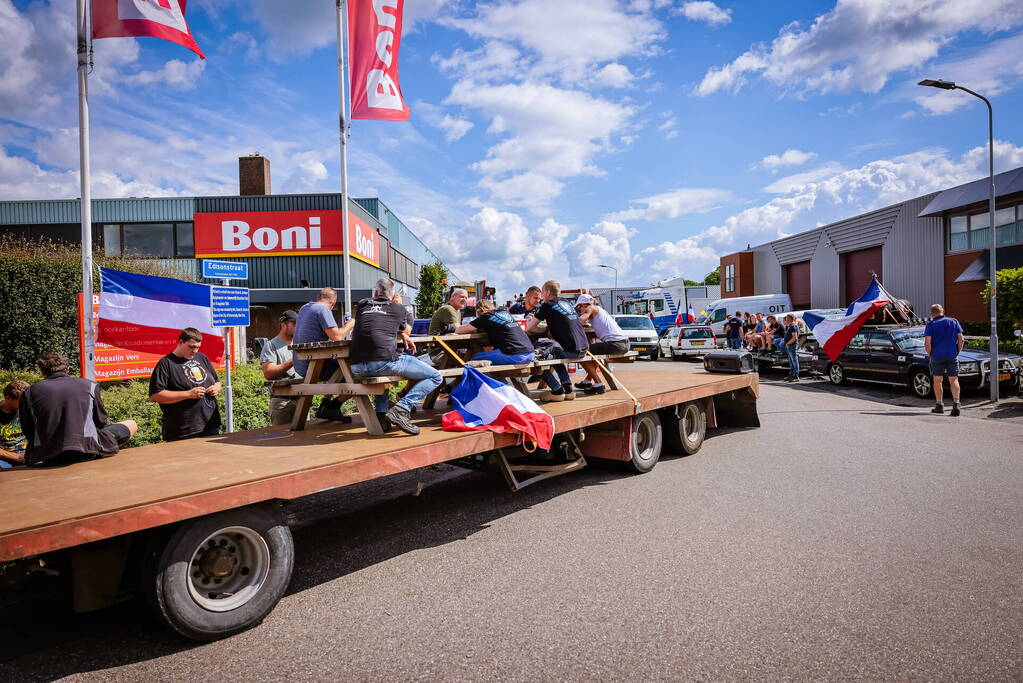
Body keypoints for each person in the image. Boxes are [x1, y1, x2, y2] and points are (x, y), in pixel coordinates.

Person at [343, 278, 442, 436]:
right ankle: (402, 408)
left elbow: (375, 324)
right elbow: (401, 329)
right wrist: (403, 334)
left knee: (386, 376)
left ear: (375, 292)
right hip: (383, 363)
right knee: (436, 376)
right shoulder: (399, 309)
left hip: (357, 367)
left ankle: (382, 415)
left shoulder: (362, 304)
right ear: (393, 294)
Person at [20, 352, 137, 465]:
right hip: (87, 450)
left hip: (48, 456)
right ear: (67, 368)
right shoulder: (90, 385)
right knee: (131, 424)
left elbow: (28, 430)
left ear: (41, 371)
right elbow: (101, 422)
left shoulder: (29, 392)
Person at [148, 328, 223, 442]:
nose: (195, 351)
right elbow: (155, 395)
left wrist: (216, 388)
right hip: (183, 431)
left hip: (210, 425)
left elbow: (217, 381)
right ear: (181, 342)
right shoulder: (166, 363)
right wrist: (188, 394)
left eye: (198, 347)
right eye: (191, 347)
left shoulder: (202, 358)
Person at [525, 280, 589, 402]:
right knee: (555, 353)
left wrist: (543, 329)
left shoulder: (547, 305)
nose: (542, 295)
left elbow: (529, 328)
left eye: (542, 291)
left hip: (573, 351)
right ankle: (568, 389)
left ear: (548, 292)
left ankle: (557, 390)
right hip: (584, 348)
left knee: (537, 358)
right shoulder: (567, 303)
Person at [292, 287, 349, 422]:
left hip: (301, 364)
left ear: (319, 297)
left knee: (344, 367)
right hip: (313, 364)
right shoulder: (323, 309)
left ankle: (325, 405)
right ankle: (333, 405)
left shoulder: (305, 308)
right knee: (357, 369)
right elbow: (338, 337)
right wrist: (350, 324)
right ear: (333, 303)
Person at [575, 293, 629, 394]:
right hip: (624, 343)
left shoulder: (590, 308)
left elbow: (580, 321)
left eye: (579, 308)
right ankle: (587, 381)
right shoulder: (600, 310)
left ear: (583, 304)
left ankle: (599, 384)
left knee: (579, 352)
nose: (579, 311)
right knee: (595, 353)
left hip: (615, 344)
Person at [455, 299, 535, 366]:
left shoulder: (486, 316)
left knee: (474, 358)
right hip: (530, 354)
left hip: (515, 355)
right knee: (487, 361)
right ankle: (501, 381)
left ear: (478, 310)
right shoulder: (504, 313)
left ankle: (493, 383)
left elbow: (459, 330)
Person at [261, 310, 300, 426]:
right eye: (294, 324)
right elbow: (268, 372)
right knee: (281, 440)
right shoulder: (271, 345)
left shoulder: (300, 343)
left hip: (302, 400)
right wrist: (293, 361)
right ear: (283, 325)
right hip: (281, 401)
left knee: (304, 441)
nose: (297, 327)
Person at [924, 303, 964, 416]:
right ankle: (956, 403)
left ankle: (939, 405)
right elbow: (961, 339)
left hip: (937, 356)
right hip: (952, 355)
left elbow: (927, 342)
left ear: (932, 314)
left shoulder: (931, 324)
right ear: (943, 311)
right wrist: (957, 352)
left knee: (938, 381)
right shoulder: (954, 321)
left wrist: (930, 353)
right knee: (954, 380)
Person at [0, 380, 29, 468]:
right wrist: (17, 457)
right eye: (21, 401)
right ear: (8, 398)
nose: (26, 404)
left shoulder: (28, 409)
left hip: (28, 454)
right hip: (5, 458)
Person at [781, 314, 800, 382]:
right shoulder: (790, 326)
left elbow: (795, 338)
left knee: (794, 361)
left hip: (792, 345)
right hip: (789, 346)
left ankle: (795, 375)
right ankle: (791, 374)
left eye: (786, 318)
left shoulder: (793, 326)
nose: (785, 319)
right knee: (791, 361)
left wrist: (788, 343)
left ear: (788, 319)